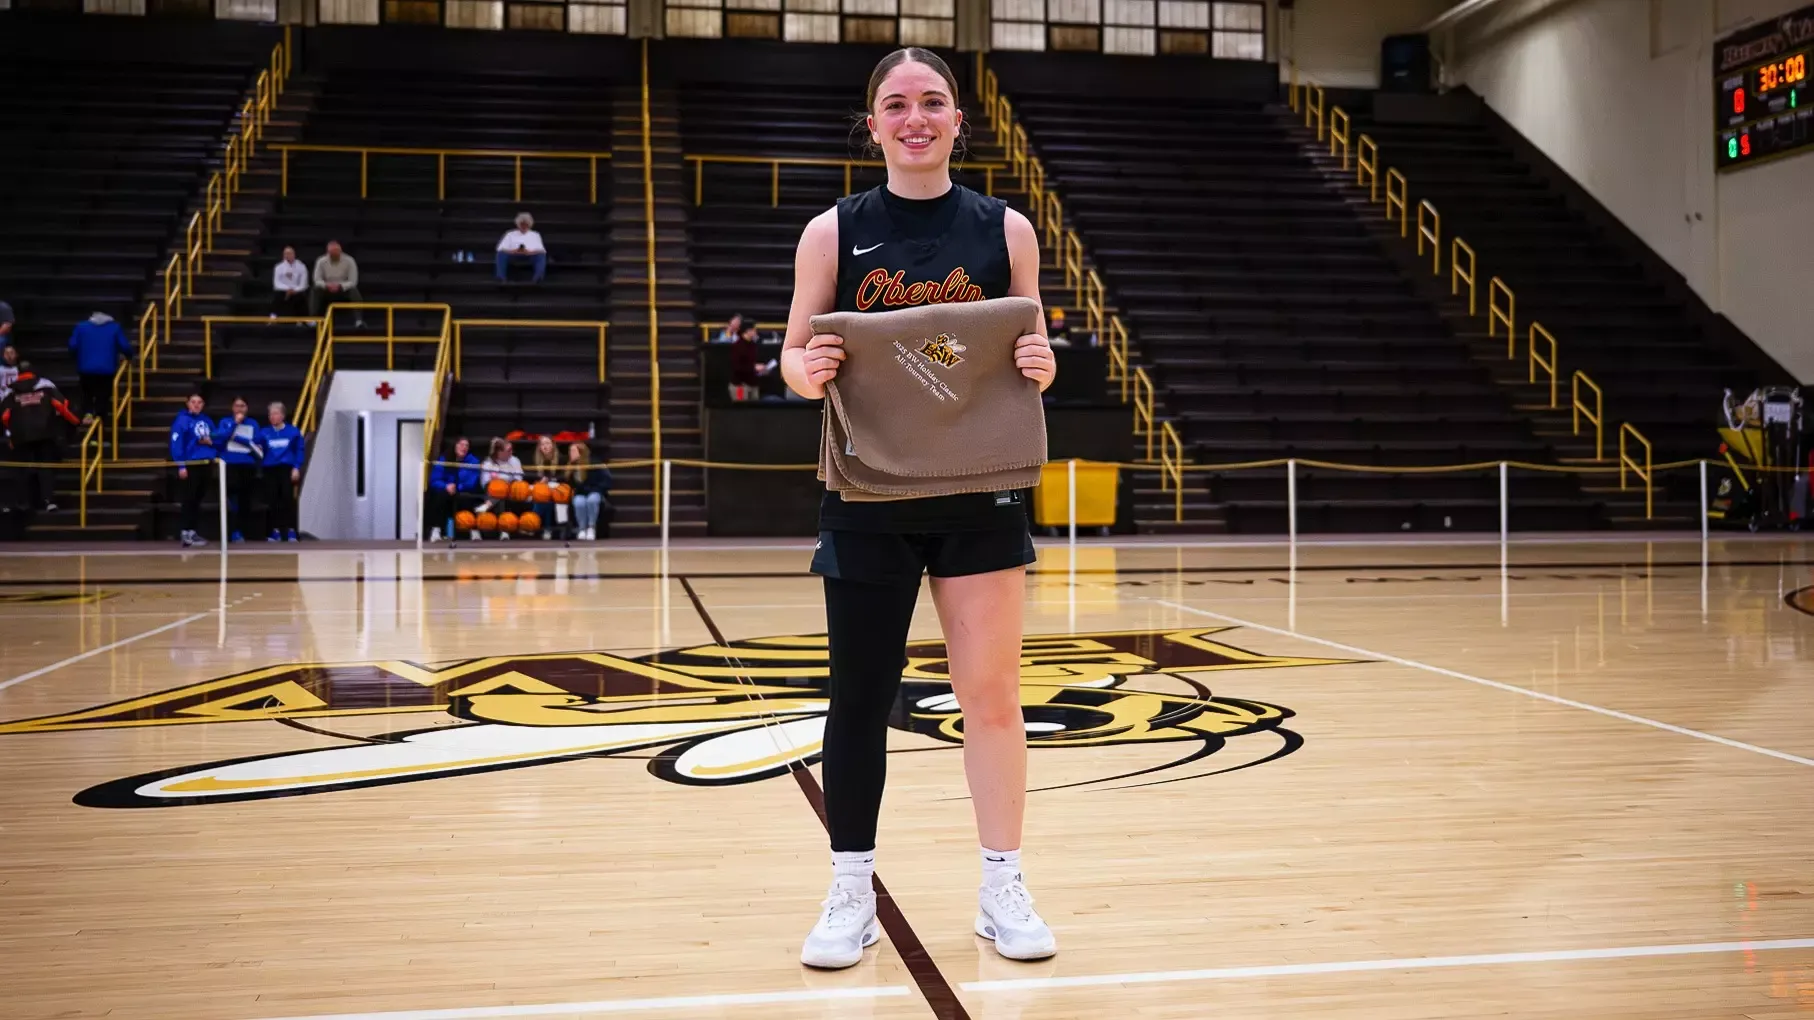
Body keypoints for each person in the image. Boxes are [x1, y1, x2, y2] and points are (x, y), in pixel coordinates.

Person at [779, 48, 1058, 970]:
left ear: (955, 121)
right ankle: (851, 888)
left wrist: (1041, 364)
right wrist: (806, 369)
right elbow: (793, 353)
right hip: (867, 493)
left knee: (992, 698)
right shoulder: (833, 233)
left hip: (981, 494)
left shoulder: (1006, 229)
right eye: (896, 105)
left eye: (932, 102)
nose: (915, 118)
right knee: (858, 699)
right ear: (873, 126)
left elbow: (1033, 344)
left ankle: (1002, 887)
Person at [0, 362, 81, 513]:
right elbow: (63, 406)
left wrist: (11, 434)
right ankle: (48, 501)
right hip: (45, 433)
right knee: (45, 468)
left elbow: (4, 416)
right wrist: (76, 422)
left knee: (22, 470)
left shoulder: (10, 391)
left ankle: (23, 504)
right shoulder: (46, 385)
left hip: (21, 436)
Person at [67, 310, 134, 424]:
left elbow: (72, 345)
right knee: (103, 395)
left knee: (87, 392)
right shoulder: (114, 328)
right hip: (107, 369)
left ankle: (87, 413)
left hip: (85, 368)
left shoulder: (81, 327)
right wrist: (129, 356)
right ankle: (99, 419)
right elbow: (125, 346)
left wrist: (78, 357)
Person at [169, 392, 216, 547]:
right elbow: (177, 444)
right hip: (191, 464)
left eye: (200, 402)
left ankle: (193, 531)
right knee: (188, 498)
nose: (196, 405)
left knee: (198, 499)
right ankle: (185, 531)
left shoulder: (207, 420)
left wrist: (211, 442)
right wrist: (181, 465)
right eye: (193, 402)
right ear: (187, 403)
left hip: (206, 463)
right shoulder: (182, 421)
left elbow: (215, 438)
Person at [257, 402, 304, 542]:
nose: (273, 417)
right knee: (272, 499)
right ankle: (273, 530)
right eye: (270, 414)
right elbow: (258, 448)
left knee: (287, 498)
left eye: (276, 413)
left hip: (286, 469)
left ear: (282, 415)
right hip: (270, 469)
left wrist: (296, 467)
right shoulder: (264, 432)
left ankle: (290, 530)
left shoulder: (293, 432)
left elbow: (299, 450)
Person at [216, 396, 261, 542]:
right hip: (230, 465)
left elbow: (257, 444)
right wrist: (235, 424)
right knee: (231, 498)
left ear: (247, 408)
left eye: (242, 406)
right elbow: (220, 438)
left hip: (247, 465)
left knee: (245, 499)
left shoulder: (253, 423)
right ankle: (231, 531)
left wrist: (242, 440)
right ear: (232, 408)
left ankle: (242, 531)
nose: (239, 409)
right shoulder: (225, 422)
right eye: (237, 406)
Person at [424, 436, 481, 542]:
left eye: (466, 445)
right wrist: (446, 486)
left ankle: (474, 531)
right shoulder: (444, 459)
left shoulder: (473, 461)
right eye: (461, 444)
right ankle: (436, 530)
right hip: (447, 490)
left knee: (469, 497)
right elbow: (435, 480)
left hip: (464, 490)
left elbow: (472, 481)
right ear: (455, 446)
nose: (464, 447)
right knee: (438, 496)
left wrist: (458, 486)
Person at [311, 241, 365, 327]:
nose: (334, 254)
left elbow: (353, 281)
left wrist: (340, 286)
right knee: (316, 289)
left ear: (340, 251)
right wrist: (326, 285)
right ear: (328, 252)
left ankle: (359, 320)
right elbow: (317, 279)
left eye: (336, 252)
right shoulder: (321, 261)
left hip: (343, 289)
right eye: (331, 252)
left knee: (354, 291)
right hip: (327, 289)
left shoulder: (349, 260)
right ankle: (313, 319)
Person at [566, 441, 611, 541]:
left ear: (580, 452)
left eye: (573, 451)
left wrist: (596, 489)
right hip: (581, 493)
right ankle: (582, 528)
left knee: (592, 500)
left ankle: (591, 527)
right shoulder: (572, 466)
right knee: (578, 502)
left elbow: (606, 480)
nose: (570, 453)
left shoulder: (594, 463)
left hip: (595, 491)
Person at [495, 212, 547, 284]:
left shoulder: (535, 234)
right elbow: (500, 248)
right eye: (522, 224)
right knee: (501, 255)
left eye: (526, 224)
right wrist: (514, 251)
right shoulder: (510, 234)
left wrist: (529, 252)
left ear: (529, 225)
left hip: (530, 255)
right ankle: (501, 278)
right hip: (513, 254)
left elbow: (541, 250)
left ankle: (538, 278)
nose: (524, 226)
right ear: (518, 224)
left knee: (541, 256)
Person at [528, 435, 561, 538]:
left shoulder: (561, 459)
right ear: (539, 447)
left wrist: (550, 480)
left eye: (547, 443)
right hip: (539, 491)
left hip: (557, 490)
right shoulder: (534, 460)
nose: (545, 446)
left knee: (546, 497)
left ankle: (531, 524)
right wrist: (540, 483)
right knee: (543, 497)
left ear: (553, 445)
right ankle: (547, 529)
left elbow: (564, 477)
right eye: (542, 444)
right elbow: (529, 478)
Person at [271, 246, 311, 319]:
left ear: (294, 254)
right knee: (277, 295)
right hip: (283, 290)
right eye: (286, 254)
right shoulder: (278, 267)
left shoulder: (301, 266)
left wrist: (294, 290)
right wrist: (288, 289)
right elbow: (276, 283)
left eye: (289, 253)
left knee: (301, 296)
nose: (287, 255)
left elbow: (304, 283)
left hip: (297, 290)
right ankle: (273, 316)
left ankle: (306, 319)